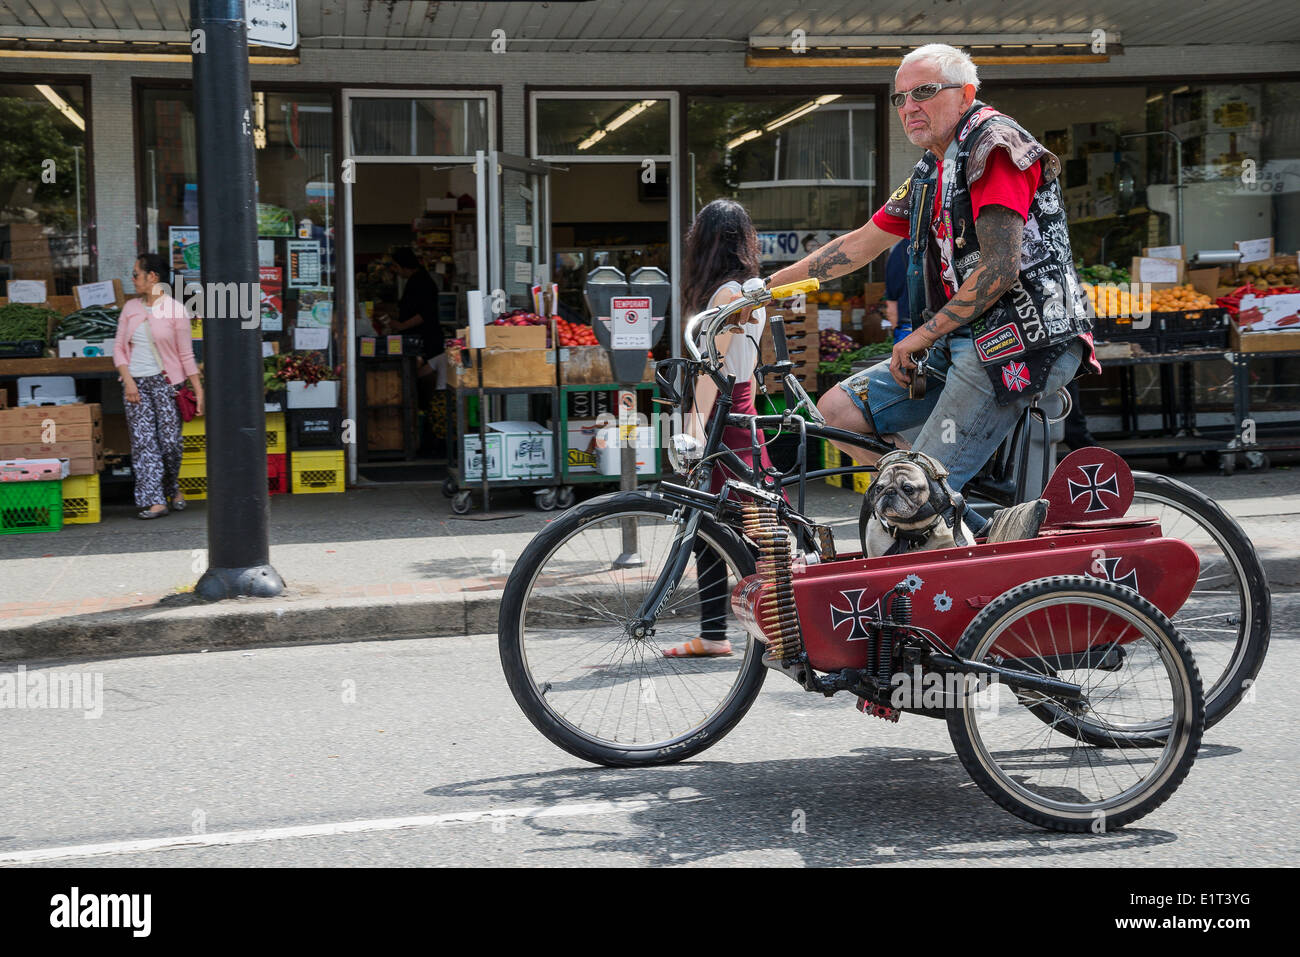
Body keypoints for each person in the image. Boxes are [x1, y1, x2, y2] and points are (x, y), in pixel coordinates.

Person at [768, 43, 1100, 532]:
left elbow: (999, 269)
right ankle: (967, 524)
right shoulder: (932, 168)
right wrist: (762, 289)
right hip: (963, 339)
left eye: (923, 92)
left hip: (1020, 343)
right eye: (899, 98)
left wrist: (920, 336)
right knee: (837, 412)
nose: (908, 107)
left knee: (909, 496)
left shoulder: (996, 146)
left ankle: (934, 522)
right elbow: (861, 244)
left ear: (966, 94)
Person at [663, 198, 772, 658]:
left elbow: (714, 372)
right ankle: (714, 634)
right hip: (740, 414)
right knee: (723, 525)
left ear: (704, 243)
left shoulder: (727, 296)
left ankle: (783, 624)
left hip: (725, 420)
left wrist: (692, 432)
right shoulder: (749, 288)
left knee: (747, 527)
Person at [113, 253, 205, 519]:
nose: (133, 279)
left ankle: (171, 486)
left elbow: (186, 355)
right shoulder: (130, 309)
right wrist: (128, 380)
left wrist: (198, 391)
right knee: (144, 444)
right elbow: (118, 349)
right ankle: (154, 500)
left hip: (168, 384)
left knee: (170, 443)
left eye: (136, 274)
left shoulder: (176, 310)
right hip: (136, 385)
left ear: (152, 277)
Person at [884, 239, 912, 344]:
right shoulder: (948, 241)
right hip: (950, 326)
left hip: (909, 329)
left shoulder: (900, 250)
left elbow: (892, 304)